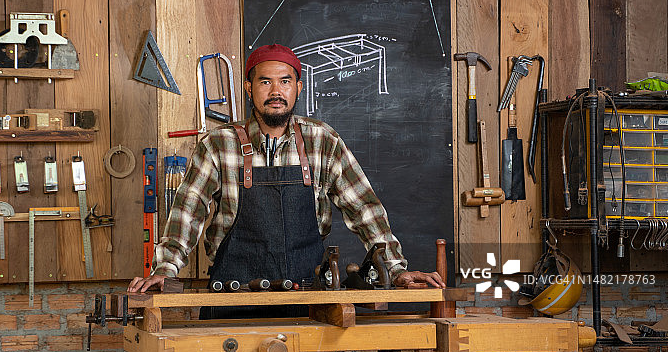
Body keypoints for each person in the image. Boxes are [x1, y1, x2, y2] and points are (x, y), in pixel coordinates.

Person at [128, 44, 444, 316]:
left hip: (309, 299)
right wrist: (165, 270)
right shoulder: (218, 144)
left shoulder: (323, 141)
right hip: (233, 297)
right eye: (265, 81)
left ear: (298, 87)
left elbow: (365, 210)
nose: (276, 92)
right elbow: (187, 212)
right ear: (249, 87)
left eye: (285, 81)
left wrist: (395, 269)